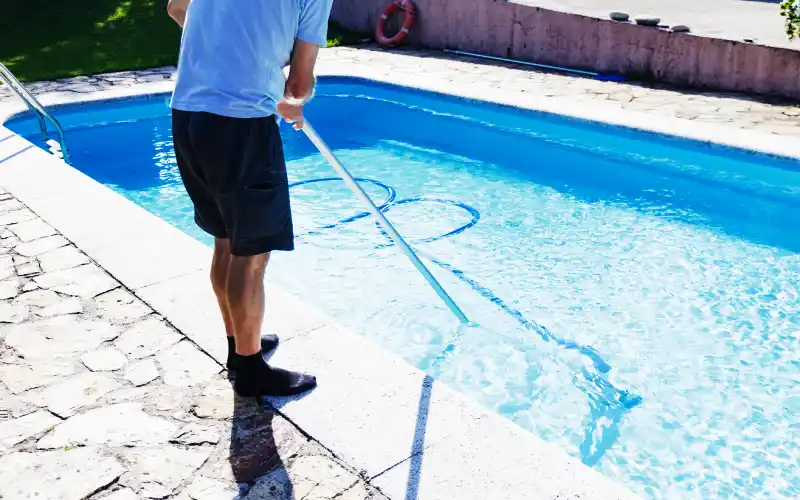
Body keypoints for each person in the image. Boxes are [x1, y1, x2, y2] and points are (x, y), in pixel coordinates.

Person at [166, 0, 332, 397]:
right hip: (241, 123)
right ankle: (252, 371)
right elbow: (298, 85)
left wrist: (229, 50)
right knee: (251, 255)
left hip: (188, 114)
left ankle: (239, 350)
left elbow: (176, 7)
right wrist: (295, 99)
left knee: (225, 238)